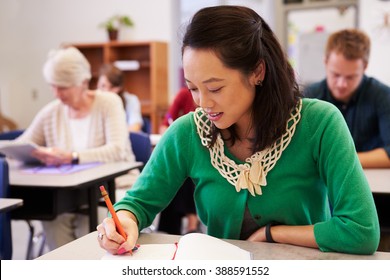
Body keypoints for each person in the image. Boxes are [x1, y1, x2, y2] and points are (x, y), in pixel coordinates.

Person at [97, 6, 379, 255]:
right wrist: (122, 221)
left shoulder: (319, 122)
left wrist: (273, 234)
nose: (203, 103)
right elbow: (137, 204)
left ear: (257, 72)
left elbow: (361, 231)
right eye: (193, 88)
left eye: (215, 88)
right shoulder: (188, 132)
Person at [16, 46, 135, 250]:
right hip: (67, 192)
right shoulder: (51, 111)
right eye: (53, 86)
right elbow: (20, 146)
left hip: (111, 187)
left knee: (96, 222)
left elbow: (117, 150)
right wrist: (36, 153)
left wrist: (72, 157)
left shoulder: (109, 103)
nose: (56, 93)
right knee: (54, 217)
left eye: (63, 87)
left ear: (82, 82)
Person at [303, 29, 390, 168]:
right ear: (325, 62)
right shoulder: (308, 97)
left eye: (351, 77)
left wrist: (340, 159)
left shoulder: (383, 96)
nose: (342, 84)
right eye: (336, 74)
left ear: (365, 67)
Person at [157, 87, 199, 235]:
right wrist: (172, 132)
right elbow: (164, 124)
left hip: (203, 152)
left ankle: (178, 226)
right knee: (177, 170)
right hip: (188, 151)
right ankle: (191, 222)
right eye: (193, 88)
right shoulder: (183, 94)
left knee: (184, 169)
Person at [97, 64, 144, 132]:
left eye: (104, 86)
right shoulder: (95, 101)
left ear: (117, 89)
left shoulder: (131, 100)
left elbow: (135, 127)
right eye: (101, 85)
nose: (101, 90)